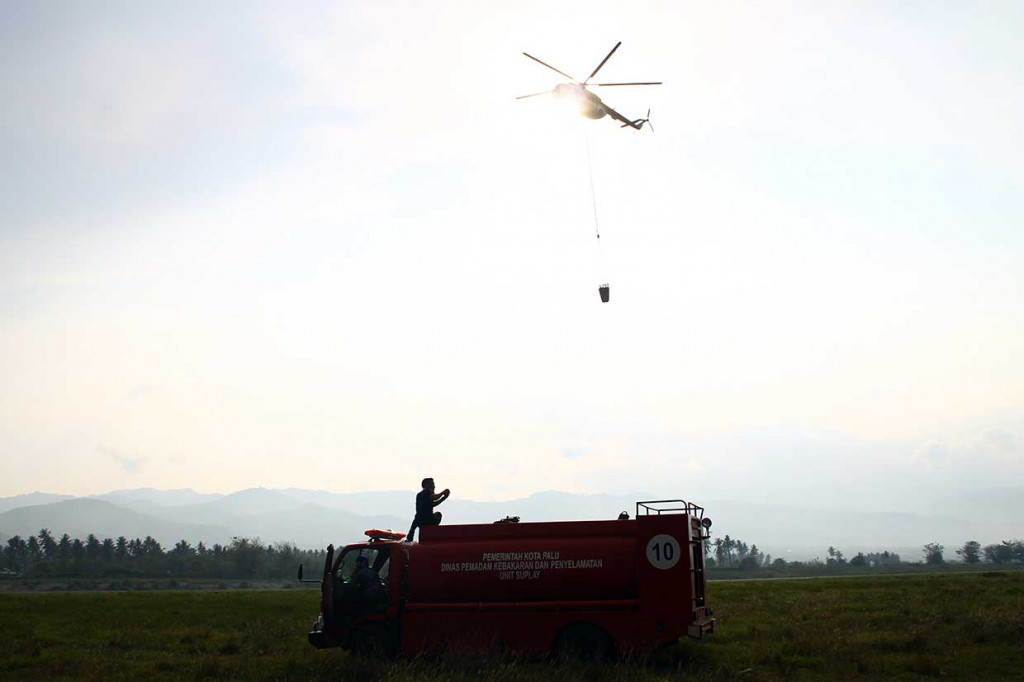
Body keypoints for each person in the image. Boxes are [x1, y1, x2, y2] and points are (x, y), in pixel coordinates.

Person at [407, 477, 450, 542]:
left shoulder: (419, 495)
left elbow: (433, 504)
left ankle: (409, 540)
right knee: (438, 515)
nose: (434, 486)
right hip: (426, 519)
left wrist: (443, 498)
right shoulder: (427, 492)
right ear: (427, 485)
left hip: (418, 520)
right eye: (432, 484)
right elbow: (434, 498)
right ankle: (431, 533)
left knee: (412, 530)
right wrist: (443, 493)